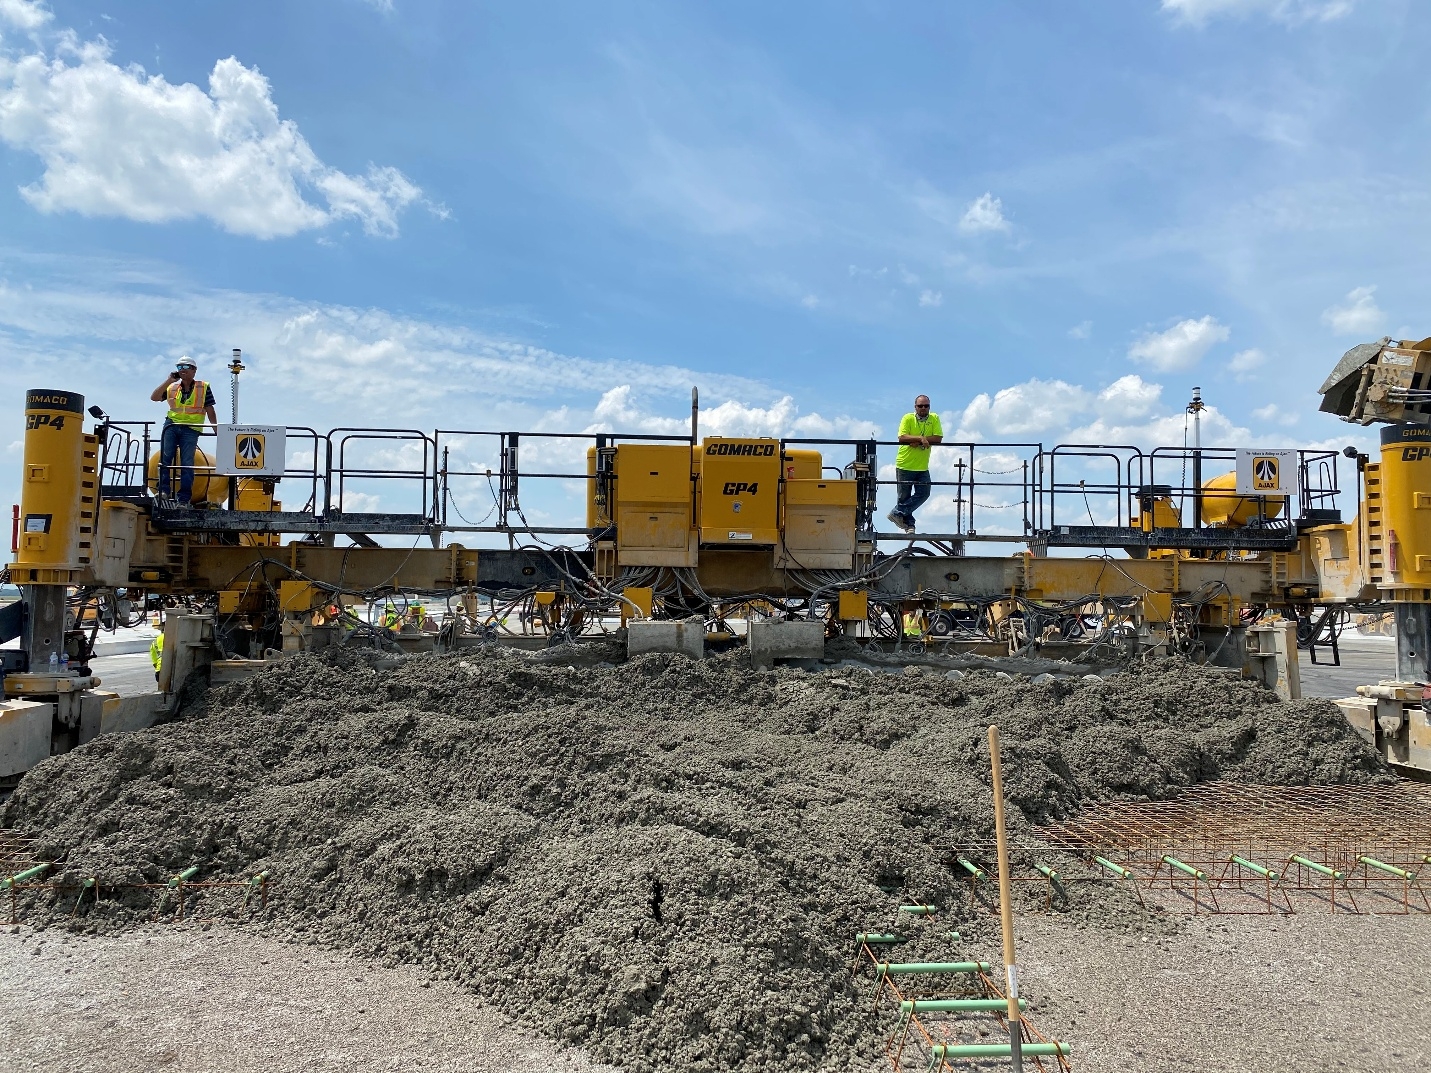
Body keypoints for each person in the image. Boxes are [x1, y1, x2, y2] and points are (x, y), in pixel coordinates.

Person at [150, 356, 217, 504]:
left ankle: (184, 498)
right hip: (171, 425)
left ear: (194, 370)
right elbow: (154, 397)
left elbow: (210, 409)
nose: (182, 370)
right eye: (179, 367)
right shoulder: (172, 387)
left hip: (191, 429)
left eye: (186, 367)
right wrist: (169, 380)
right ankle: (163, 491)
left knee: (187, 462)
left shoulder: (203, 387)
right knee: (165, 458)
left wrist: (215, 429)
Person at [888, 394, 943, 532]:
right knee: (904, 497)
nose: (923, 408)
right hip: (905, 464)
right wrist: (920, 439)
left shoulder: (934, 418)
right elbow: (902, 437)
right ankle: (909, 525)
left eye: (926, 406)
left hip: (922, 466)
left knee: (924, 493)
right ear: (915, 407)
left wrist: (917, 440)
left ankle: (896, 513)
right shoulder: (907, 418)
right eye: (920, 406)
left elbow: (938, 438)